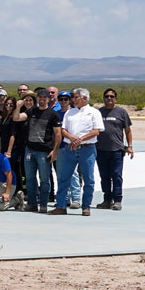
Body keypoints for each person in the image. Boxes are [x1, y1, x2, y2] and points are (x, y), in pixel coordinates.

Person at [51, 87, 103, 216]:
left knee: (88, 179)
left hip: (87, 149)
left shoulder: (94, 112)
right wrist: (72, 138)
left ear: (84, 98)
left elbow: (96, 131)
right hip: (70, 149)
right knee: (64, 178)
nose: (73, 99)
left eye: (76, 97)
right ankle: (61, 206)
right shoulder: (70, 112)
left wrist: (80, 139)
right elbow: (63, 129)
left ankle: (86, 206)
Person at [96, 89, 133, 211]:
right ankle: (107, 200)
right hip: (101, 150)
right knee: (104, 176)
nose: (109, 98)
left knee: (116, 176)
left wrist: (130, 146)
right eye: (106, 96)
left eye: (112, 96)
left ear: (116, 98)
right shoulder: (98, 113)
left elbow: (127, 130)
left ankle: (117, 200)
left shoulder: (121, 112)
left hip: (116, 150)